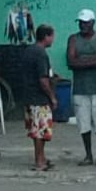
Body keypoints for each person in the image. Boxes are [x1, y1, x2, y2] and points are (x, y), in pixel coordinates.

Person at [66, 9, 96, 166]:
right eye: (80, 22)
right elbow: (71, 62)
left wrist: (82, 62)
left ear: (92, 22)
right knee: (83, 124)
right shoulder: (73, 39)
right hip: (80, 88)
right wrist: (94, 61)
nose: (82, 25)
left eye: (85, 22)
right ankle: (88, 155)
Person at [15, 24, 58, 171]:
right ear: (46, 36)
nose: (53, 39)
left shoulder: (28, 51)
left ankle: (41, 157)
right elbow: (43, 80)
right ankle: (40, 161)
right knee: (41, 131)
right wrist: (52, 97)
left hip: (28, 96)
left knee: (36, 130)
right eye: (52, 36)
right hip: (39, 98)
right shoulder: (41, 54)